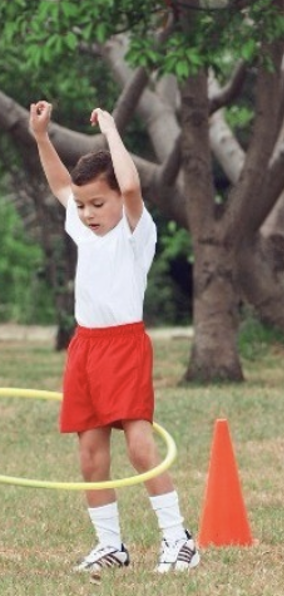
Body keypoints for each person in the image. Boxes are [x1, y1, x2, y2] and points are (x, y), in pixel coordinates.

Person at [29, 100, 200, 573]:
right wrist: (42, 137)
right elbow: (62, 184)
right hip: (85, 346)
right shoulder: (84, 230)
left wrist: (109, 129)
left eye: (96, 204)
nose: (86, 213)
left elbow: (128, 184)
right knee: (90, 453)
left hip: (123, 346)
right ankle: (111, 544)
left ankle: (178, 539)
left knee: (141, 446)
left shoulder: (133, 230)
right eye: (82, 206)